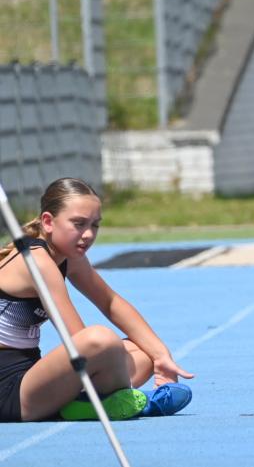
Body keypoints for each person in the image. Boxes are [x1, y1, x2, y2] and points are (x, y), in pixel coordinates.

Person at [0, 178, 193, 422]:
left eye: (95, 225)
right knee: (100, 340)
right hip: (9, 392)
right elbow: (79, 340)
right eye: (79, 224)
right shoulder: (37, 262)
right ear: (48, 222)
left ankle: (86, 404)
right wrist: (106, 358)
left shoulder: (67, 256)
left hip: (29, 373)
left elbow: (110, 302)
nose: (89, 234)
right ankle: (127, 402)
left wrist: (161, 355)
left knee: (143, 354)